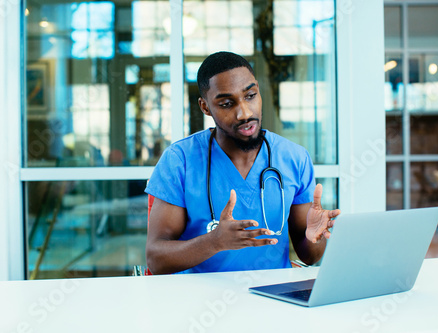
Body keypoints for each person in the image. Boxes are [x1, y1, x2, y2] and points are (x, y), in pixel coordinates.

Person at [145, 51, 340, 275]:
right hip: (199, 299)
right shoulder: (180, 160)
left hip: (274, 296)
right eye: (227, 103)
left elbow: (310, 256)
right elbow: (156, 259)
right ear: (205, 107)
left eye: (250, 95)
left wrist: (314, 236)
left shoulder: (294, 158)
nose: (244, 113)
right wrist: (214, 242)